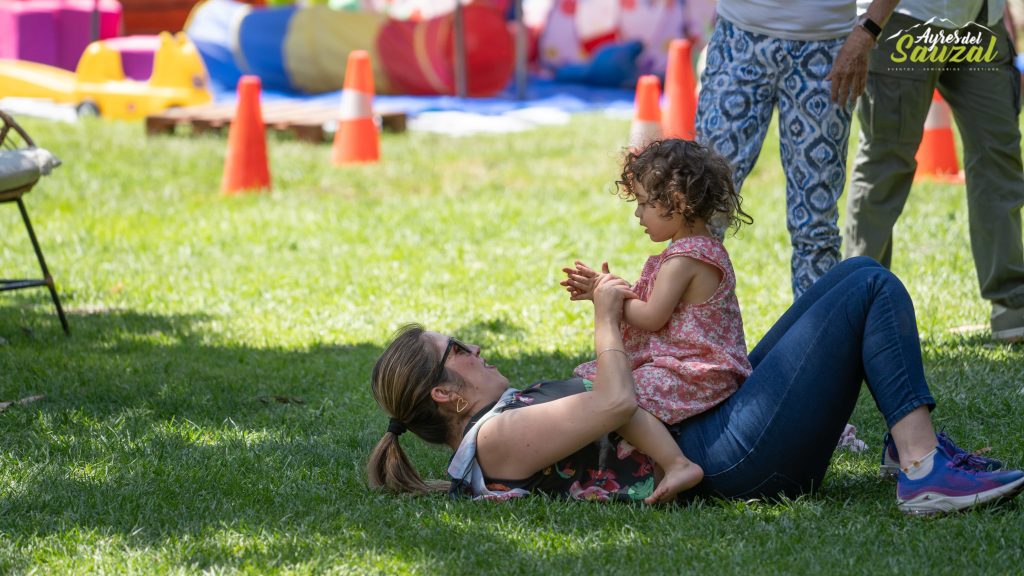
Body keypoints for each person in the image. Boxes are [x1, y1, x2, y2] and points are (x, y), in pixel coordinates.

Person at [368, 256, 1024, 513]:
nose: (476, 349)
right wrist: (606, 317)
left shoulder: (503, 419)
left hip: (718, 436)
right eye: (458, 350)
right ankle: (922, 467)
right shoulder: (492, 441)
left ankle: (911, 448)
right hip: (727, 461)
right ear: (445, 394)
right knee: (870, 288)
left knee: (853, 277)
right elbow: (615, 403)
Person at [558, 139, 753, 503]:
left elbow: (651, 317)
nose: (638, 214)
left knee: (619, 394)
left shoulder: (684, 259)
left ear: (678, 202)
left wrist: (608, 300)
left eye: (646, 203)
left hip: (700, 370)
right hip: (687, 363)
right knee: (603, 383)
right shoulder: (697, 249)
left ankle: (676, 464)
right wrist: (608, 290)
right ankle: (648, 460)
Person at [844, 0, 1024, 343]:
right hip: (905, 17)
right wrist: (869, 28)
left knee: (998, 153)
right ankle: (857, 310)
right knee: (886, 163)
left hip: (981, 20)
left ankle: (1012, 302)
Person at [695, 0, 901, 298]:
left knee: (816, 225)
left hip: (827, 48)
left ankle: (817, 328)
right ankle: (688, 325)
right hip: (739, 39)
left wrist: (867, 32)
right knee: (702, 205)